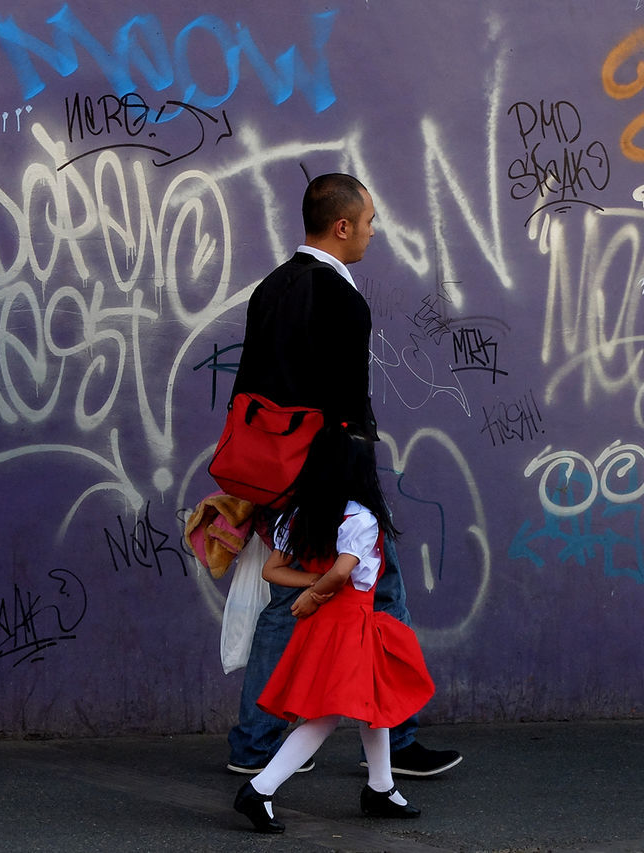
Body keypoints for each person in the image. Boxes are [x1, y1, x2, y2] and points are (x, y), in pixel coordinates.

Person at [226, 173, 460, 778]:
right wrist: (360, 497)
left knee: (287, 600)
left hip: (275, 469)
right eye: (370, 221)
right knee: (383, 598)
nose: (374, 232)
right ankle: (396, 742)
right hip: (332, 476)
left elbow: (251, 389)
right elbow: (347, 408)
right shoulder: (341, 297)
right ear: (342, 225)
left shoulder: (271, 288)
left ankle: (255, 746)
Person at [233, 425, 433, 833]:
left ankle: (382, 787)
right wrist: (318, 591)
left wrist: (310, 587)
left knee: (372, 704)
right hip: (350, 624)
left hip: (329, 625)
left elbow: (274, 570)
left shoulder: (300, 513)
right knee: (325, 715)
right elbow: (342, 573)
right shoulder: (362, 516)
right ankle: (260, 788)